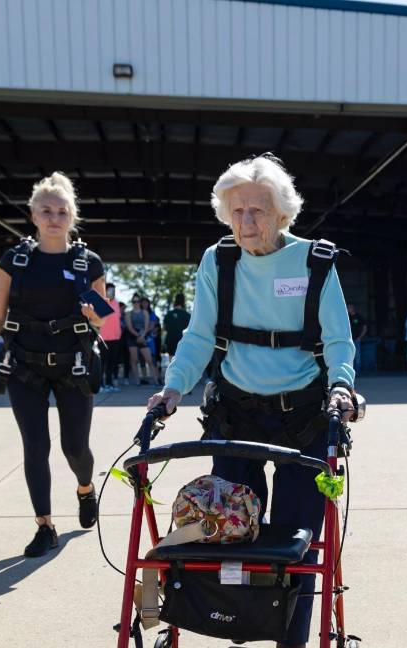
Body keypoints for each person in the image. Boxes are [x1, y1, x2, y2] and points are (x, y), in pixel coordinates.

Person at [147, 153, 356, 648]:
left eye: (258, 211)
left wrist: (342, 385)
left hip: (303, 416)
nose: (246, 221)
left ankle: (292, 640)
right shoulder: (218, 260)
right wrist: (173, 387)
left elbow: (339, 340)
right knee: (225, 531)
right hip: (235, 411)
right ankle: (236, 620)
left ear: (283, 214)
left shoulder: (315, 261)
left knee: (296, 540)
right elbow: (199, 336)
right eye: (236, 211)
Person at [0, 172, 106, 558]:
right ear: (33, 215)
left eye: (62, 211)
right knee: (35, 446)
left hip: (73, 365)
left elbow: (102, 318)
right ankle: (44, 525)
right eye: (46, 210)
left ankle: (85, 488)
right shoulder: (15, 260)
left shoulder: (87, 262)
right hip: (24, 365)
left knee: (75, 447)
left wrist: (90, 312)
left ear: (71, 217)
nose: (54, 217)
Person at [126, 295, 158, 385]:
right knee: (134, 360)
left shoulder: (144, 312)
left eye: (137, 301)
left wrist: (142, 336)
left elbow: (147, 325)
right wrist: (137, 335)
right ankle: (137, 381)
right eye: (134, 302)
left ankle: (156, 381)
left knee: (149, 359)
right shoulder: (129, 313)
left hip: (143, 336)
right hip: (132, 337)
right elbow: (129, 327)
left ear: (140, 302)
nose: (136, 303)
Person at [99, 283, 123, 393]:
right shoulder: (101, 301)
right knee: (103, 362)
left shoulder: (117, 303)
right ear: (105, 290)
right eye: (110, 290)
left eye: (114, 290)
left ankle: (109, 384)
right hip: (104, 338)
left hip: (116, 338)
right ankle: (100, 385)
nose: (112, 292)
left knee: (112, 362)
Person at [162, 292, 191, 357]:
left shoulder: (168, 314)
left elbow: (164, 329)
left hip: (170, 340)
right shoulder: (187, 315)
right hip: (183, 342)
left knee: (171, 362)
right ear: (184, 301)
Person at [348, 303, 367, 371]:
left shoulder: (359, 317)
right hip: (348, 340)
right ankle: (351, 371)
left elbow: (365, 328)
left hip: (356, 339)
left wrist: (360, 337)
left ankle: (358, 371)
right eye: (347, 308)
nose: (348, 309)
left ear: (353, 308)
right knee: (349, 356)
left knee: (357, 355)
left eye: (349, 308)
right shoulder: (347, 317)